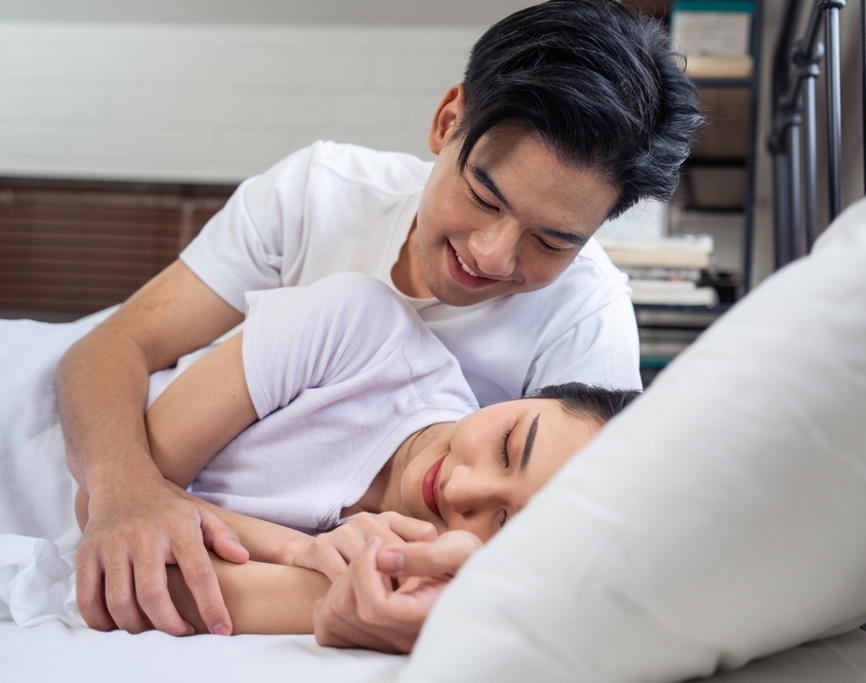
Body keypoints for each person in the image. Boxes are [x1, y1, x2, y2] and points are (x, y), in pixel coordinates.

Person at [54, 0, 700, 647]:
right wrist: (129, 491)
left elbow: (581, 572)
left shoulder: (587, 327)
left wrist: (365, 583)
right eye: (484, 197)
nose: (491, 254)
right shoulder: (322, 201)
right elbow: (116, 344)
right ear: (448, 121)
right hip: (65, 420)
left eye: (552, 241)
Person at [65, 273, 639, 642]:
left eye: (504, 522)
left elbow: (151, 582)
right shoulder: (360, 331)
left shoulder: (417, 584)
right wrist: (294, 552)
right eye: (509, 446)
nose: (462, 490)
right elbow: (111, 507)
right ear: (529, 395)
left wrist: (355, 587)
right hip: (57, 421)